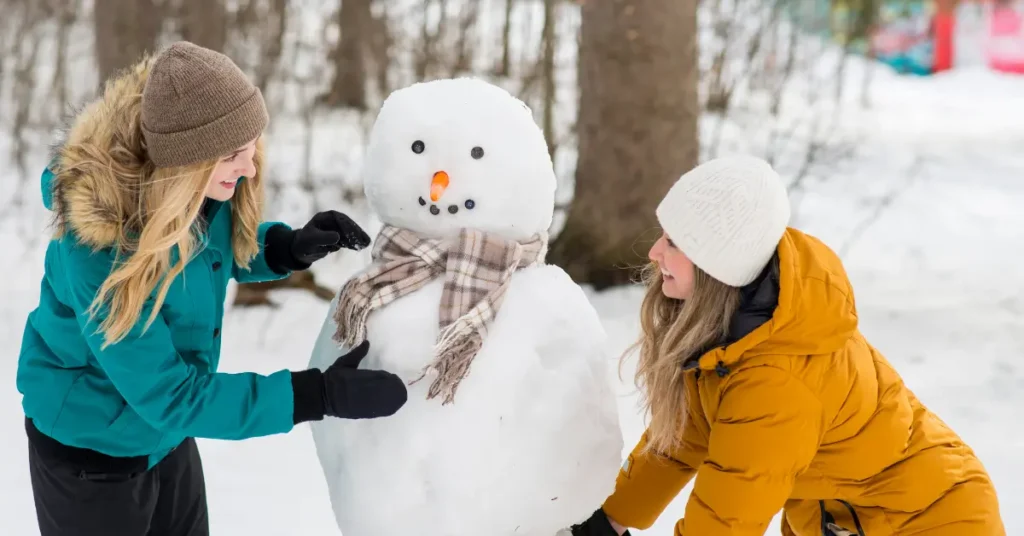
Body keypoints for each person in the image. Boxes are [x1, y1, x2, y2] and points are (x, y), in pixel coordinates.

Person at [16, 41, 408, 536]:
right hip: (91, 453)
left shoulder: (186, 186)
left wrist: (286, 249)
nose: (248, 169)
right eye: (232, 157)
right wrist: (316, 394)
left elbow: (207, 256)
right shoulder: (99, 251)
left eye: (251, 149)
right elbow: (172, 394)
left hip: (163, 436)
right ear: (187, 162)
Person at [571, 156, 1005, 536]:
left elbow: (725, 521)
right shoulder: (736, 327)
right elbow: (684, 434)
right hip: (853, 516)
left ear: (715, 265)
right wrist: (610, 519)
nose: (653, 252)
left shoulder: (774, 384)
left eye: (673, 242)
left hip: (928, 520)